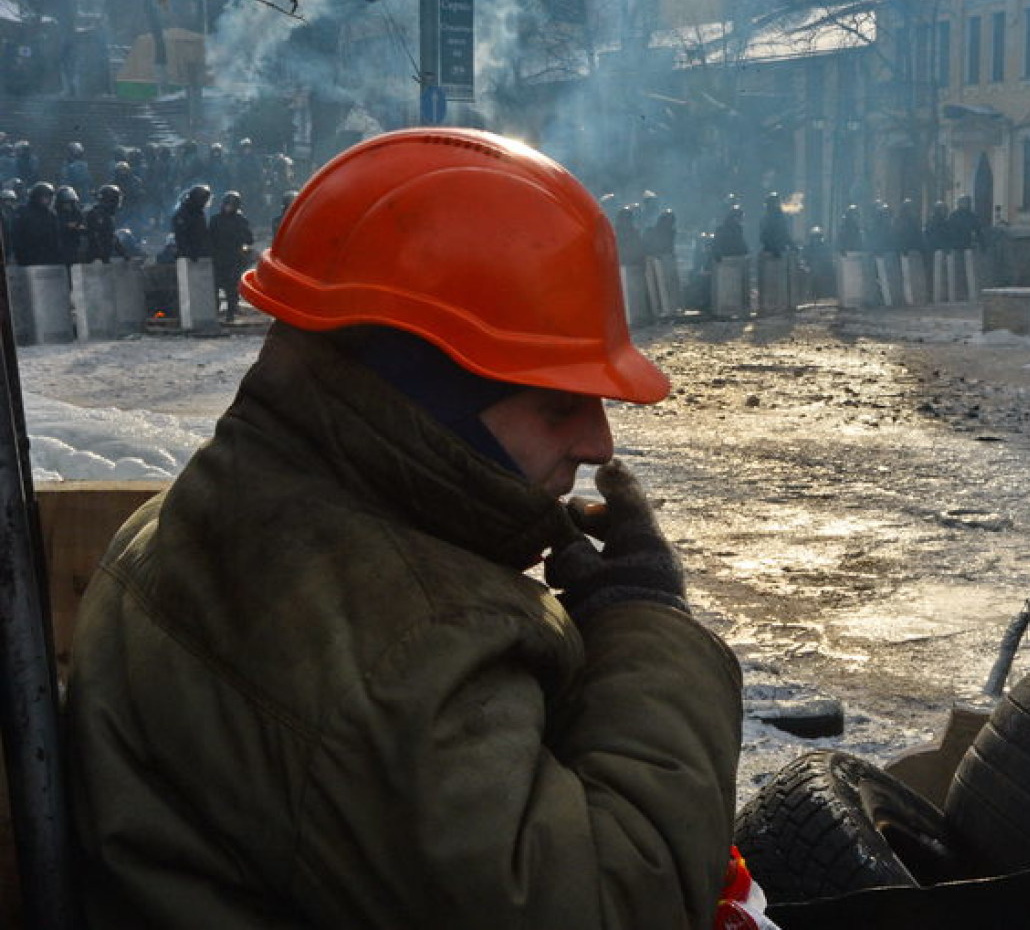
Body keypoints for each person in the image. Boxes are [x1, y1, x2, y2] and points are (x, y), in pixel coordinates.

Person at [67, 128, 743, 928]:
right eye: (559, 402)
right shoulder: (407, 652)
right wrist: (647, 627)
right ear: (427, 404)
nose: (598, 441)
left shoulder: (214, 508)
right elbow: (619, 904)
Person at [208, 190, 254, 321]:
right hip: (219, 258)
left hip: (234, 259)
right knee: (215, 288)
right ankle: (215, 314)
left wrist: (239, 239)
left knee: (231, 289)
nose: (228, 207)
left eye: (232, 205)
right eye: (227, 204)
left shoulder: (241, 221)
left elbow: (249, 239)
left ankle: (230, 314)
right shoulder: (215, 220)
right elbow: (210, 238)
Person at [11, 181, 61, 266]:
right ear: (36, 197)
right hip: (28, 257)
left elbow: (56, 237)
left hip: (48, 258)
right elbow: (17, 236)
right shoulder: (23, 212)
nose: (46, 199)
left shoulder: (51, 214)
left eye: (48, 196)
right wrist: (20, 255)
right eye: (43, 196)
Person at [171, 184, 212, 261]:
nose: (206, 203)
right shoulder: (184, 212)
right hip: (186, 256)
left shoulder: (198, 212)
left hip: (199, 254)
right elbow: (180, 236)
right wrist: (189, 252)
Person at [84, 185, 123, 264]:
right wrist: (99, 257)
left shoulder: (107, 214)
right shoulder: (97, 214)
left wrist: (124, 254)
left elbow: (112, 237)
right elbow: (94, 237)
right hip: (94, 260)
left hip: (103, 257)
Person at [53, 185, 86, 265]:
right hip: (60, 249)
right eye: (66, 203)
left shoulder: (77, 213)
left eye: (71, 203)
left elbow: (83, 226)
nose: (68, 206)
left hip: (75, 248)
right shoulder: (55, 214)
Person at [758, 192, 793, 256]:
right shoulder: (767, 218)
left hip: (778, 251)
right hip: (771, 251)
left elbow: (785, 233)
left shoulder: (780, 217)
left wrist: (791, 245)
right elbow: (764, 236)